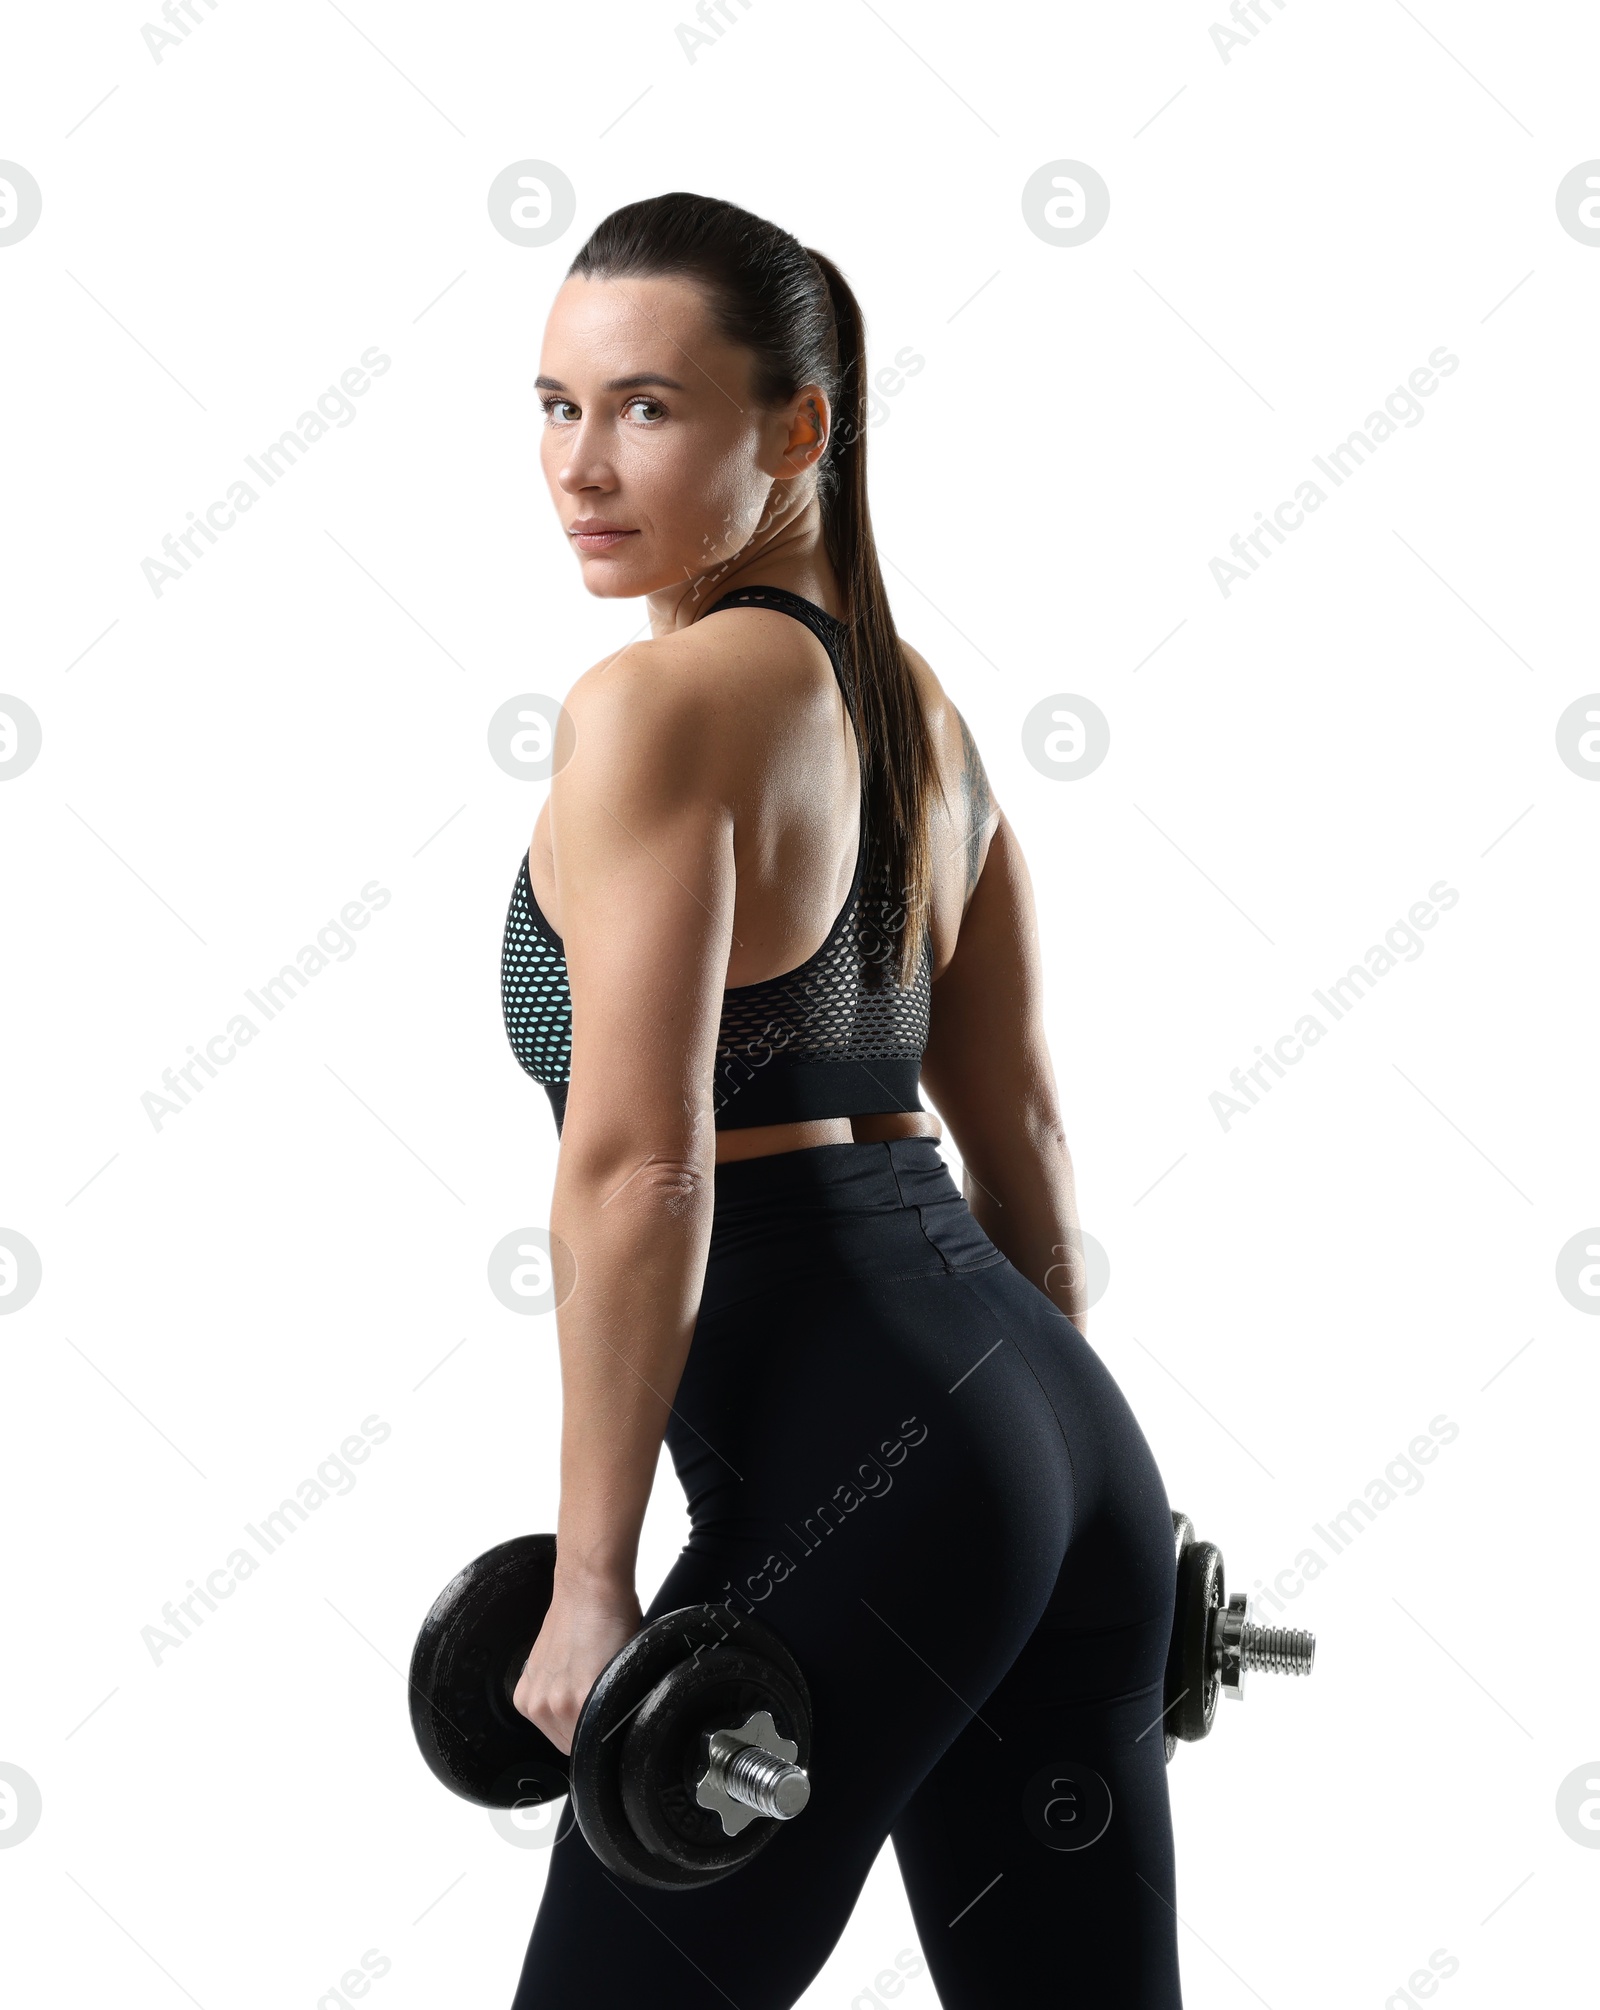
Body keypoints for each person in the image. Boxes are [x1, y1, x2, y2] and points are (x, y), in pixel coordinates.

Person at [499, 191, 1182, 2009]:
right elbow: (1022, 1147)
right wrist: (1043, 1498)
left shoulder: (658, 703)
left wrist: (592, 1576)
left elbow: (644, 1162)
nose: (582, 463)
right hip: (1054, 1431)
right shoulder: (928, 721)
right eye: (556, 406)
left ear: (799, 428)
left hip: (862, 1433)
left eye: (649, 408)